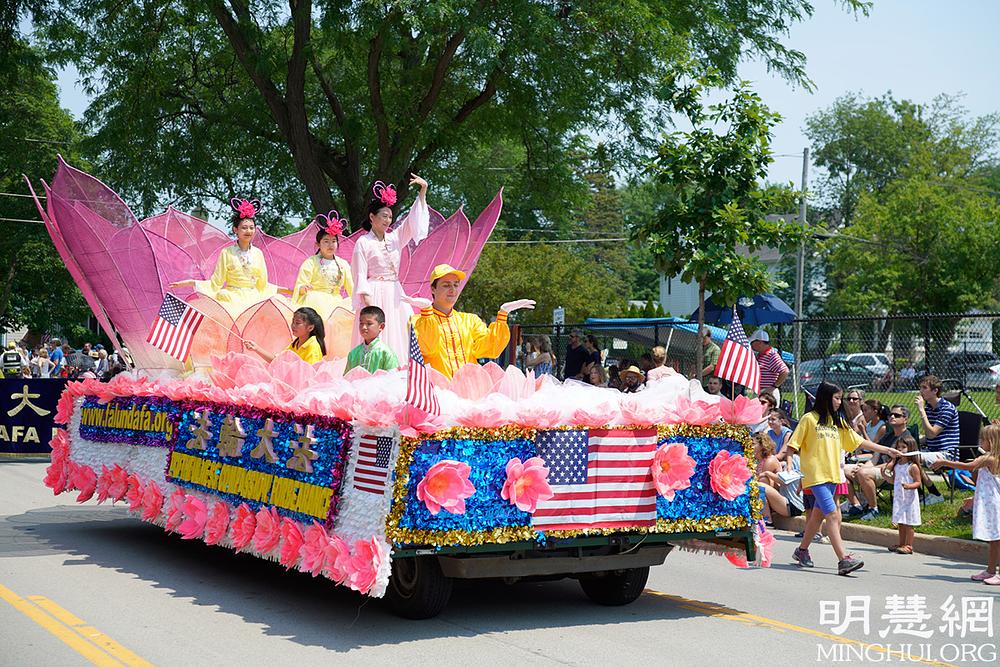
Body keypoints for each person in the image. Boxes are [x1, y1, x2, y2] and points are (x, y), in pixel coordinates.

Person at [787, 381, 899, 576]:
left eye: (841, 398)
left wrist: (886, 449)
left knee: (817, 516)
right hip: (815, 476)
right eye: (837, 398)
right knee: (832, 515)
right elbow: (793, 445)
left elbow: (859, 442)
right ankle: (844, 559)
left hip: (832, 475)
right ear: (825, 398)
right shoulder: (809, 419)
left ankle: (802, 551)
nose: (840, 402)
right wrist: (789, 464)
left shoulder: (838, 422)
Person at [351, 175, 431, 361]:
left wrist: (422, 192)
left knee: (401, 332)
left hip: (395, 293)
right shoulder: (363, 242)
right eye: (384, 216)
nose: (388, 220)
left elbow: (411, 223)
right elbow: (360, 275)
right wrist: (370, 306)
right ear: (372, 217)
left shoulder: (395, 238)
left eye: (390, 217)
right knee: (375, 332)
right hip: (374, 294)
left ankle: (398, 368)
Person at [411, 263, 533, 379]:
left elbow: (491, 348)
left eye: (456, 285)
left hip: (469, 389)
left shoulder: (470, 320)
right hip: (436, 389)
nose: (453, 290)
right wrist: (427, 314)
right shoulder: (417, 321)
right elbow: (428, 349)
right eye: (446, 285)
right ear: (433, 289)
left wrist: (503, 315)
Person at [170, 199, 277, 315]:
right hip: (230, 300)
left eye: (251, 228)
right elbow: (216, 283)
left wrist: (287, 291)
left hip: (254, 301)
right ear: (235, 230)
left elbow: (263, 285)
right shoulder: (226, 252)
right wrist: (191, 282)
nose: (248, 231)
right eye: (244, 227)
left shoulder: (258, 253)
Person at [932, 425, 1000, 584]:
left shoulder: (990, 459)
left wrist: (945, 462)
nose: (980, 441)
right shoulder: (988, 457)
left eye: (983, 439)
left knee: (997, 540)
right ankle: (990, 570)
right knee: (993, 540)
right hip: (989, 502)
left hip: (994, 503)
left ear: (992, 441)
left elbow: (968, 466)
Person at [845, 404, 911, 520]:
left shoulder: (907, 438)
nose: (892, 417)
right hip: (877, 469)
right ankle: (856, 505)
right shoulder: (888, 436)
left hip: (892, 471)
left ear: (905, 419)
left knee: (863, 473)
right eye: (891, 414)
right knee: (841, 469)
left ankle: (873, 509)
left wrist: (866, 469)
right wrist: (864, 466)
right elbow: (875, 456)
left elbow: (896, 462)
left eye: (897, 415)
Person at [292, 213, 353, 314]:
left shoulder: (343, 264)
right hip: (315, 301)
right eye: (326, 241)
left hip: (337, 304)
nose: (330, 245)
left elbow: (351, 288)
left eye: (333, 241)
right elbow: (300, 285)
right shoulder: (310, 262)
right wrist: (303, 288)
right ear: (318, 244)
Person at [881, 433, 922, 555]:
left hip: (909, 499)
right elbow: (894, 480)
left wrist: (909, 486)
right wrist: (885, 475)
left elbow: (918, 482)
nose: (900, 449)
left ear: (911, 448)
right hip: (899, 499)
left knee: (909, 523)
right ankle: (901, 543)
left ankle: (909, 545)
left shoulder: (913, 467)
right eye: (898, 447)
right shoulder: (897, 465)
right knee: (901, 522)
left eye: (903, 447)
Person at [245, 307, 326, 364]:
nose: (293, 326)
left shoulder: (313, 347)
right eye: (293, 322)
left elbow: (310, 375)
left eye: (297, 323)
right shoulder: (296, 343)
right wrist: (256, 348)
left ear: (310, 328)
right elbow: (276, 360)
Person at [345, 306, 399, 374]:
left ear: (381, 326)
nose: (363, 327)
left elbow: (393, 378)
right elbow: (347, 377)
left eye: (369, 324)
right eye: (361, 323)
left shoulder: (386, 353)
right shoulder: (353, 354)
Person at [748, 329, 788, 400]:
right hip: (761, 392)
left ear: (759, 342)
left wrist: (774, 386)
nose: (751, 345)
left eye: (752, 342)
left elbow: (785, 371)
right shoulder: (760, 355)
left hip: (767, 394)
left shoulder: (771, 355)